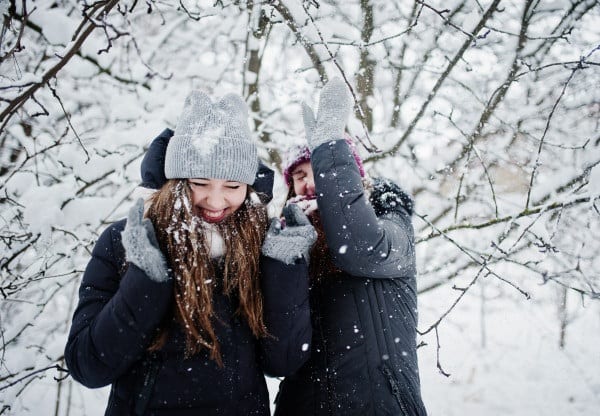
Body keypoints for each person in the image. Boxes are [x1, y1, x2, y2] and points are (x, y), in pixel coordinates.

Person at [64, 91, 316, 415]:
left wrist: (284, 268)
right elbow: (88, 365)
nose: (215, 201)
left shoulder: (262, 245)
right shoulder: (126, 239)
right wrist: (146, 279)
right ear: (177, 180)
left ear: (249, 186)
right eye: (199, 182)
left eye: (232, 186)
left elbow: (284, 361)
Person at [273, 78, 427, 415]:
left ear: (347, 171)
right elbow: (280, 355)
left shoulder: (391, 221)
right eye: (299, 174)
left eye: (319, 169)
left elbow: (359, 246)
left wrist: (329, 144)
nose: (310, 182)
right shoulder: (285, 242)